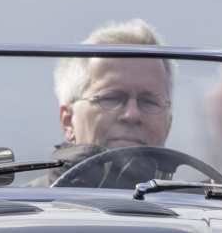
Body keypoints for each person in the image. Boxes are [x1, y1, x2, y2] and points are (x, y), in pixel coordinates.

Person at [39, 19, 174, 184]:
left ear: (168, 124)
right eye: (111, 98)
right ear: (68, 120)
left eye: (149, 102)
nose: (132, 114)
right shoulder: (31, 207)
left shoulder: (194, 206)